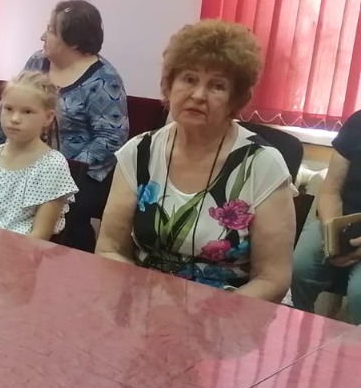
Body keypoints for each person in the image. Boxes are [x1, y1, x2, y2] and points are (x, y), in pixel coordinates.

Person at [96, 20, 296, 301]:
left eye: (217, 86)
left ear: (235, 99)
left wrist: (205, 317)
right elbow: (109, 249)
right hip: (146, 302)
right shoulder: (139, 152)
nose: (198, 95)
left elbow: (272, 279)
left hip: (231, 309)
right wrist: (143, 302)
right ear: (169, 85)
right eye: (189, 79)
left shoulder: (263, 166)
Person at [0, 0, 129, 252]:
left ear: (73, 41)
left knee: (64, 211)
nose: (42, 36)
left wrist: (58, 169)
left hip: (79, 173)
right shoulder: (36, 62)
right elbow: (9, 105)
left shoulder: (104, 79)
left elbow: (111, 138)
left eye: (51, 30)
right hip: (23, 157)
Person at [0, 72, 78, 239]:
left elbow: (40, 235)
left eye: (27, 111)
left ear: (48, 117)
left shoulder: (53, 165)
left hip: (23, 251)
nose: (15, 119)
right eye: (8, 109)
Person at [291, 107, 361, 322]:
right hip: (344, 218)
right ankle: (303, 328)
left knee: (359, 293)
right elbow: (331, 190)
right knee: (298, 267)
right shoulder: (357, 122)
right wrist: (333, 233)